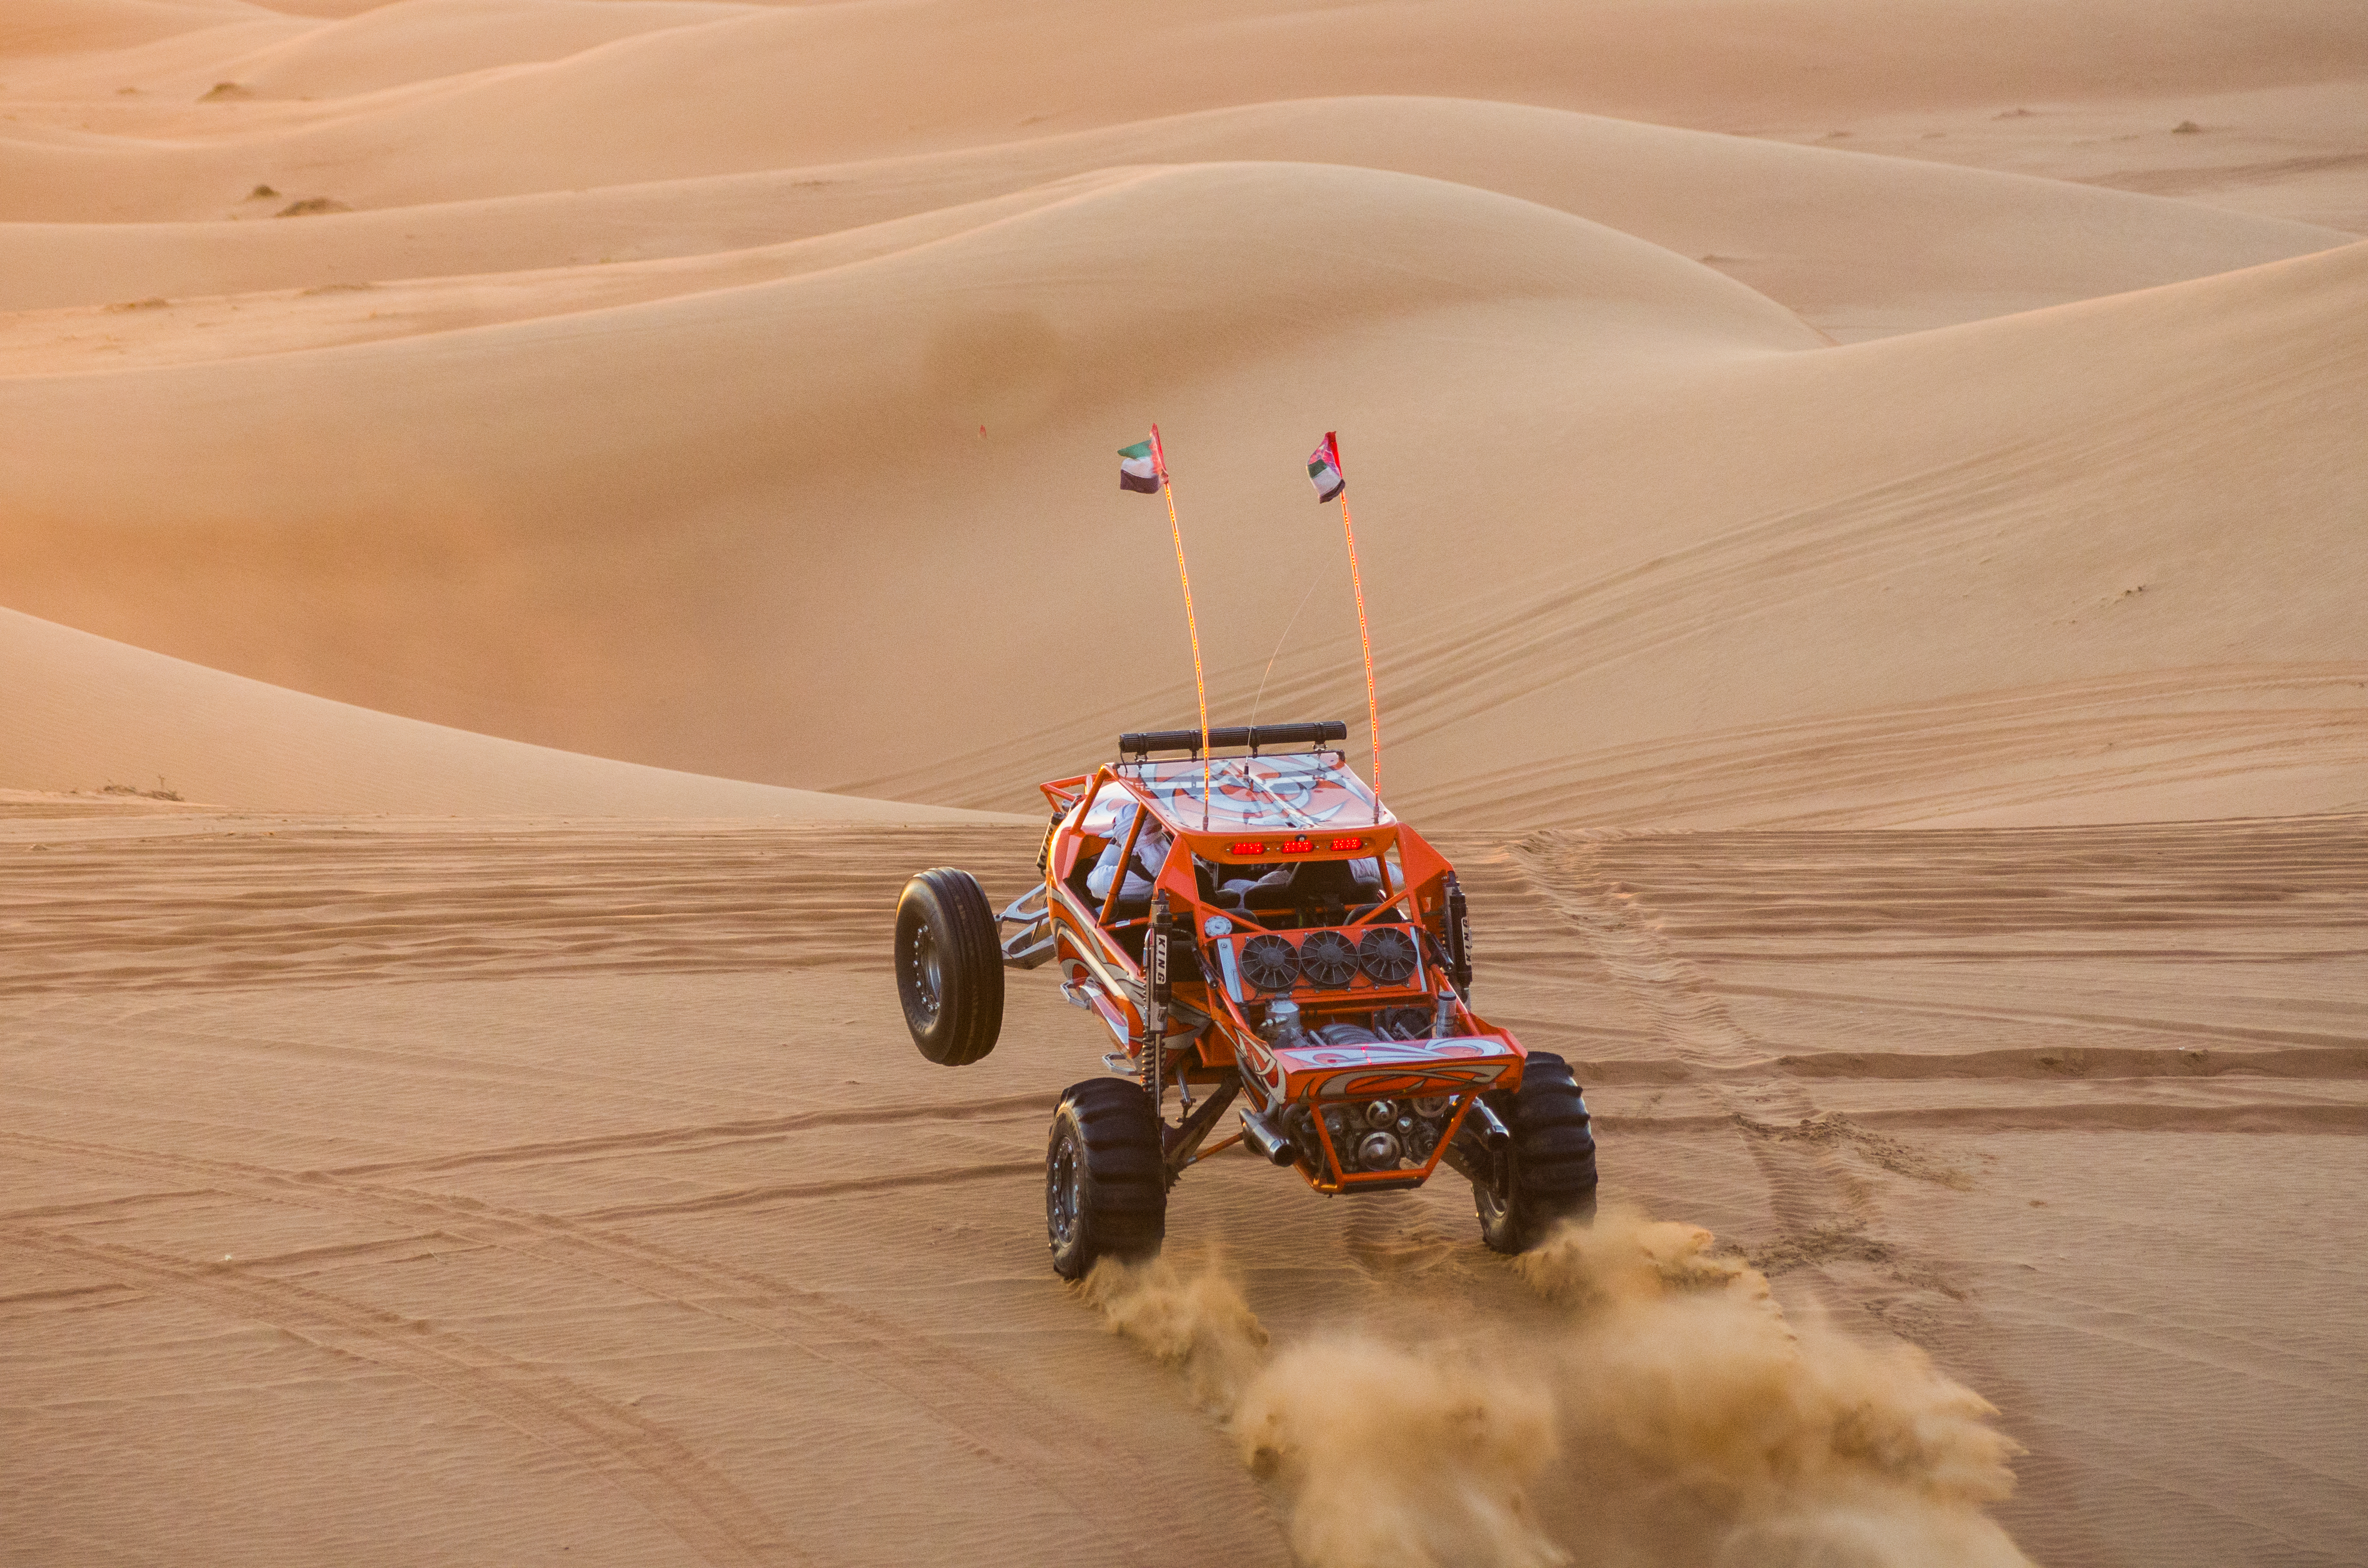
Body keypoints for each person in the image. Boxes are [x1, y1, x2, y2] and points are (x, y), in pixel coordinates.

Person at [1086, 801, 1172, 905]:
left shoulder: (1133, 874)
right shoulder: (1172, 850)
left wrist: (1118, 842)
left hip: (1138, 914)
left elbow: (1092, 883)